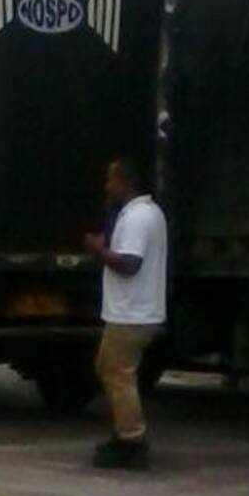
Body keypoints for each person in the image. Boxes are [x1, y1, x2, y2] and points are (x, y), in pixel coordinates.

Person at [84, 157, 168, 469]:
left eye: (111, 180)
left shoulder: (137, 218)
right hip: (135, 311)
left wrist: (98, 250)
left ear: (124, 182)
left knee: (117, 374)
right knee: (110, 369)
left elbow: (130, 264)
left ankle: (131, 439)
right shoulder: (147, 213)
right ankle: (124, 432)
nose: (107, 187)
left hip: (131, 313)